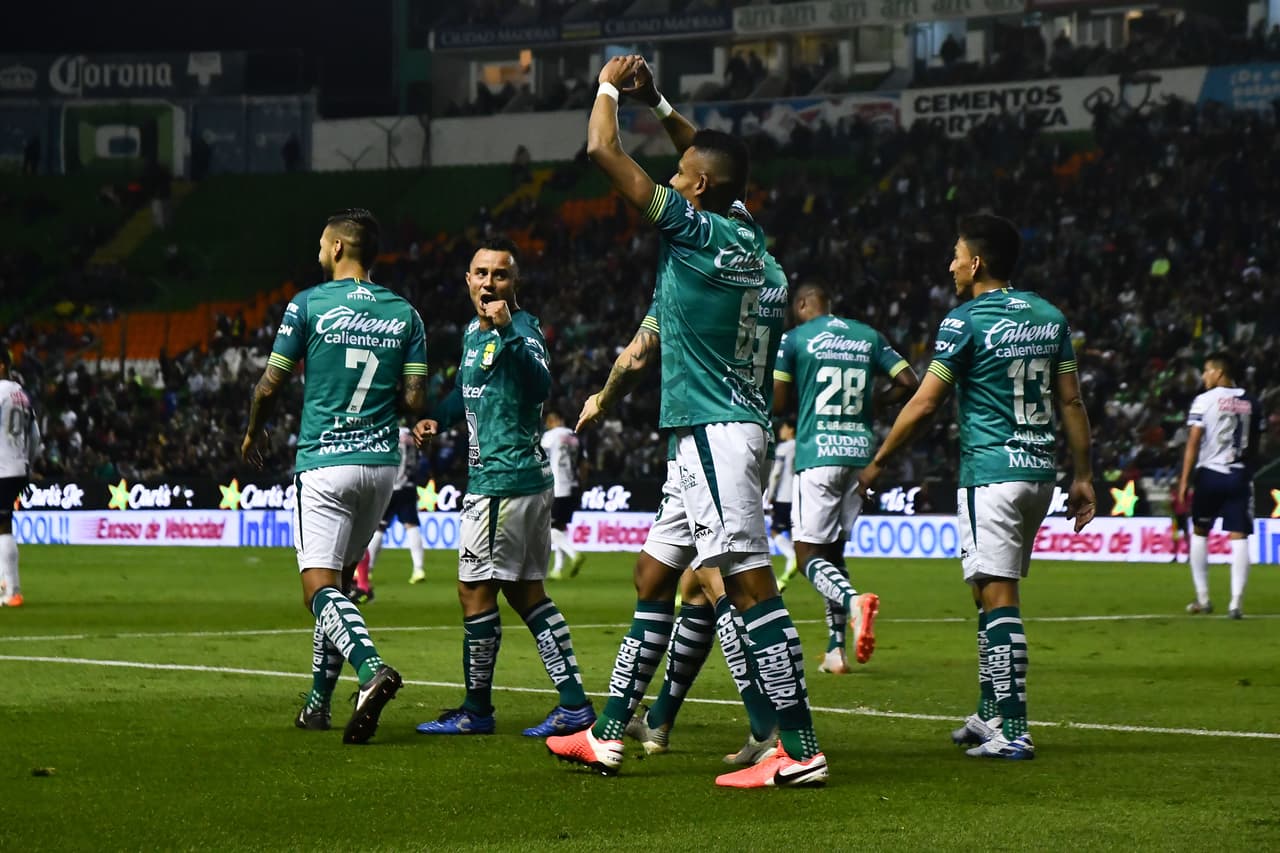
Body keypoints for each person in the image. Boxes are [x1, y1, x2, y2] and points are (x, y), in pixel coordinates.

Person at [549, 55, 826, 788]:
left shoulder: (697, 232)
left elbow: (603, 152)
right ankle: (607, 735)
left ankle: (798, 748)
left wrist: (608, 85)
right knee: (652, 574)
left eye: (681, 178)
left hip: (714, 429)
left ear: (697, 191)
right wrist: (661, 101)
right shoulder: (749, 238)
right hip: (710, 431)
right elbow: (704, 155)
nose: (671, 181)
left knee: (748, 584)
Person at [859, 213, 1096, 761]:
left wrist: (879, 463)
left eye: (956, 255)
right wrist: (1083, 475)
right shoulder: (1048, 316)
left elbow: (924, 403)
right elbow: (1071, 401)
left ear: (977, 263)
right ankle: (991, 713)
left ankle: (1014, 729)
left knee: (998, 592)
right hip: (1039, 474)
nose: (951, 265)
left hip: (990, 474)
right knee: (984, 590)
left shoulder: (964, 322)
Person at [242, 208, 427, 744]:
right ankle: (318, 703)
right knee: (342, 585)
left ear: (339, 248)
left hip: (325, 462)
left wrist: (254, 431)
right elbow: (414, 399)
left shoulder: (309, 305)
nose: (317, 252)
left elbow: (269, 386)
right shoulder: (406, 314)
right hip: (380, 468)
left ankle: (371, 672)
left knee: (317, 589)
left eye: (322, 244)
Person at [412, 239, 595, 739]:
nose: (489, 283)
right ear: (467, 279)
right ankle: (571, 705)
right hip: (505, 482)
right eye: (481, 273)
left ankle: (479, 710)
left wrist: (508, 331)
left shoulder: (523, 328)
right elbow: (466, 394)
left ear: (515, 284)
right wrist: (435, 418)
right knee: (524, 592)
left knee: (476, 590)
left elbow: (539, 387)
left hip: (505, 482)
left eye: (500, 275)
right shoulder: (473, 333)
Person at [773, 283, 919, 674]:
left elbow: (779, 401)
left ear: (803, 304)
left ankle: (854, 602)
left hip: (818, 454)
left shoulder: (795, 339)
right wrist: (875, 401)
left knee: (806, 557)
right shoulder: (867, 336)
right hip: (859, 456)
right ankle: (836, 651)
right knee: (833, 553)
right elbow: (910, 383)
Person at [1175, 352, 1262, 619]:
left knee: (1200, 531)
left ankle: (1203, 598)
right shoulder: (1252, 401)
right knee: (1239, 536)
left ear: (1219, 373)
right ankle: (1236, 603)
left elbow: (1193, 442)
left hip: (1210, 475)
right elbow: (1257, 443)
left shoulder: (1203, 401)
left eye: (1207, 371)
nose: (1203, 376)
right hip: (1239, 475)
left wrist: (1184, 480)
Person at [362, 423, 427, 589]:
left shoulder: (389, 432)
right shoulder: (412, 436)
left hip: (390, 485)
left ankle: (367, 570)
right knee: (411, 526)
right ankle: (418, 569)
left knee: (379, 528)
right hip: (409, 486)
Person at [0, 348, 40, 608]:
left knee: (3, 524)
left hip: (1, 468)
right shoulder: (21, 394)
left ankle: (12, 590)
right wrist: (29, 463)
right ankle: (5, 581)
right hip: (18, 467)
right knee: (4, 523)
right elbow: (35, 436)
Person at [540, 411, 586, 580]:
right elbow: (583, 463)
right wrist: (582, 486)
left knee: (547, 528)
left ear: (552, 421)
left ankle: (574, 554)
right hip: (573, 487)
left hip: (557, 488)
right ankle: (558, 569)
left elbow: (540, 459)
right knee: (560, 528)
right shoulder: (574, 437)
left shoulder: (550, 436)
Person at [768, 421, 798, 589]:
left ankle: (791, 556)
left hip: (784, 496)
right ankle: (784, 579)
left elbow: (776, 474)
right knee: (795, 535)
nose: (781, 430)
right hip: (800, 496)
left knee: (775, 531)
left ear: (790, 429)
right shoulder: (803, 446)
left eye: (784, 427)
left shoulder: (784, 448)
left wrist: (770, 495)